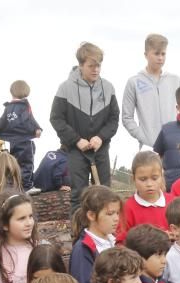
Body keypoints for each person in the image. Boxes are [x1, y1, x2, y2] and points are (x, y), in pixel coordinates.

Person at [51, 42, 119, 211]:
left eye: (98, 66)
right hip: (76, 149)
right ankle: (78, 235)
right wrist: (76, 140)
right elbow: (56, 119)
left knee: (105, 194)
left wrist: (100, 137)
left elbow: (114, 119)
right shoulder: (65, 88)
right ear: (81, 65)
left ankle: (106, 235)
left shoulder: (108, 88)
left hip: (100, 149)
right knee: (78, 196)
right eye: (91, 66)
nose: (95, 70)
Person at [69, 185, 121, 283]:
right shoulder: (83, 249)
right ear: (91, 215)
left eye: (117, 213)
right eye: (110, 214)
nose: (116, 219)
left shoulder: (114, 242)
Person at [122, 33, 180, 149]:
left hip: (174, 146)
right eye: (156, 53)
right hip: (149, 148)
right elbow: (127, 117)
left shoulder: (176, 80)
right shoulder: (134, 82)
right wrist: (143, 137)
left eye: (163, 54)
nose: (160, 58)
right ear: (146, 55)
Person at [0, 80, 43, 193]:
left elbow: (2, 122)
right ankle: (26, 186)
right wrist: (37, 129)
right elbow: (28, 119)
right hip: (24, 139)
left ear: (12, 92)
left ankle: (16, 185)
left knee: (15, 163)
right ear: (26, 92)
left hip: (13, 141)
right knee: (27, 162)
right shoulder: (24, 106)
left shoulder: (8, 107)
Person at [117, 151, 173, 243]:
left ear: (162, 176)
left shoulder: (173, 202)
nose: (149, 184)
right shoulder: (127, 208)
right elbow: (121, 243)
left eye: (154, 178)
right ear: (133, 178)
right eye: (143, 179)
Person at [0, 193, 37, 283]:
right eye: (21, 219)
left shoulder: (37, 248)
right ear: (5, 225)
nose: (29, 223)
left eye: (30, 216)